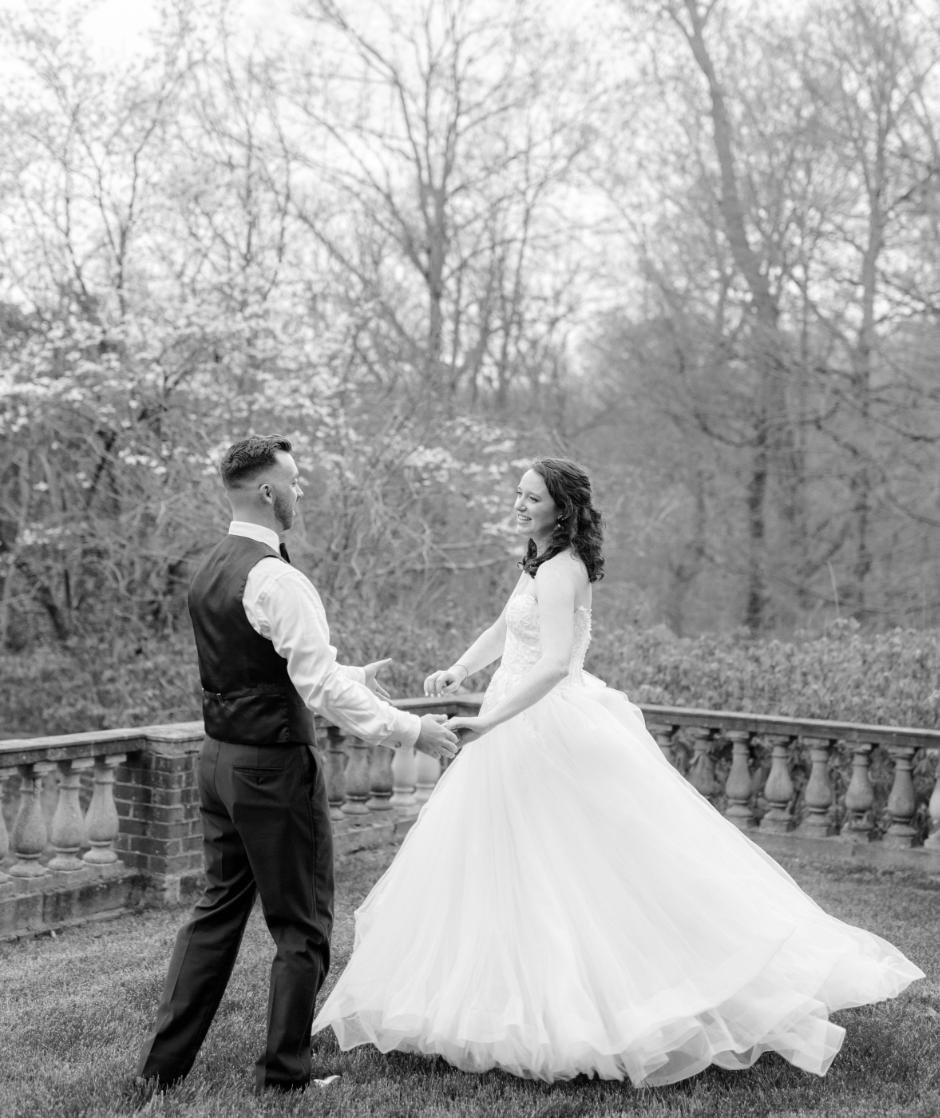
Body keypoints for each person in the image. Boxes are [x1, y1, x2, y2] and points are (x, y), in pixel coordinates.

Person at [312, 456, 924, 1086]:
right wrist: (461, 671)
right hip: (518, 721)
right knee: (512, 862)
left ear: (561, 509)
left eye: (532, 498)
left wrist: (489, 721)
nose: (519, 505)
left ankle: (592, 1007)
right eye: (517, 494)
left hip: (542, 727)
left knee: (570, 865)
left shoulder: (561, 569)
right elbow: (505, 628)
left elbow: (551, 665)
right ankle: (499, 997)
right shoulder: (539, 563)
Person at [135, 434, 457, 1096]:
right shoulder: (277, 577)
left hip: (219, 762)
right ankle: (284, 1076)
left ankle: (160, 1071)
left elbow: (268, 664)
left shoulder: (211, 567)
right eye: (295, 480)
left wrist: (355, 676)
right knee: (302, 926)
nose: (300, 491)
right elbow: (315, 688)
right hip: (274, 772)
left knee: (215, 913)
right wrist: (410, 731)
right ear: (266, 491)